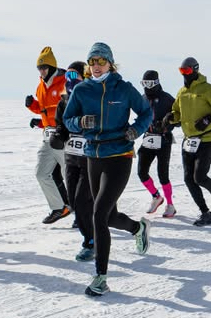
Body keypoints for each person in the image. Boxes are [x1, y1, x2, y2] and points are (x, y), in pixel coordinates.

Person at [61, 43, 153, 297]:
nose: (96, 66)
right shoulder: (82, 90)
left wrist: (136, 130)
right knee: (108, 215)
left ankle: (100, 277)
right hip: (93, 155)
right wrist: (79, 121)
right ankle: (138, 228)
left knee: (98, 214)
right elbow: (67, 119)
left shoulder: (123, 88)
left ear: (111, 63)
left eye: (101, 61)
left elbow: (146, 112)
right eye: (92, 62)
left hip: (119, 155)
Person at [164, 57, 211, 226]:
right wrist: (170, 118)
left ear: (195, 70)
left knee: (199, 177)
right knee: (188, 179)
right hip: (188, 140)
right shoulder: (182, 92)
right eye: (181, 71)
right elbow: (177, 113)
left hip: (207, 138)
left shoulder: (209, 90)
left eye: (186, 71)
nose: (184, 74)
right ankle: (205, 213)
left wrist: (210, 119)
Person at [55, 62, 96, 260]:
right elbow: (60, 127)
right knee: (74, 201)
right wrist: (58, 135)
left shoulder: (91, 99)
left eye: (75, 76)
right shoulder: (63, 102)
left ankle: (90, 241)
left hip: (90, 159)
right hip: (71, 158)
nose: (71, 81)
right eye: (68, 77)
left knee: (82, 201)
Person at [25, 47, 71, 224]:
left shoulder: (64, 83)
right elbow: (45, 112)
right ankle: (59, 208)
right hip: (47, 138)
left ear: (52, 67)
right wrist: (33, 106)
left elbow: (63, 111)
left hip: (64, 137)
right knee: (41, 174)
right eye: (39, 68)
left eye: (44, 67)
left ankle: (82, 210)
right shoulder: (40, 87)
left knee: (71, 178)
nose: (42, 71)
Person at [136, 70, 177, 217]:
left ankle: (170, 205)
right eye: (144, 83)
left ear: (157, 82)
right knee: (141, 172)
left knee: (162, 174)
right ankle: (156, 196)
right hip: (148, 138)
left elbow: (178, 119)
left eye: (150, 83)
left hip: (164, 140)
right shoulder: (142, 99)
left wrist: (167, 123)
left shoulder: (167, 99)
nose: (147, 87)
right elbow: (140, 118)